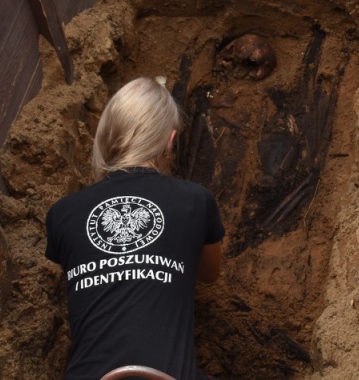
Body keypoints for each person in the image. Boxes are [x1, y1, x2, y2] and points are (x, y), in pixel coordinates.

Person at [45, 77, 225, 379]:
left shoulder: (62, 214)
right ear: (170, 141)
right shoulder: (196, 200)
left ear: (107, 137)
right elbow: (209, 273)